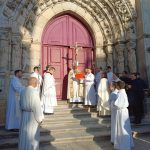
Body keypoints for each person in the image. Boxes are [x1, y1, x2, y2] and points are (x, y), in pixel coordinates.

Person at [18, 77, 43, 150]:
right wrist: (40, 119)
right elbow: (36, 106)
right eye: (37, 83)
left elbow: (20, 104)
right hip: (32, 116)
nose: (37, 84)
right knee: (31, 135)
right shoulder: (34, 92)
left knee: (24, 135)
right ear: (34, 83)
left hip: (24, 114)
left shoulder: (22, 91)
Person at [114, 81, 134, 150]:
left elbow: (118, 104)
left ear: (118, 86)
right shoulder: (121, 92)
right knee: (122, 128)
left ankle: (125, 146)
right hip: (122, 111)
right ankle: (122, 145)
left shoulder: (121, 94)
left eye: (116, 86)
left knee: (122, 129)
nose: (116, 87)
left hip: (122, 112)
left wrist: (114, 103)